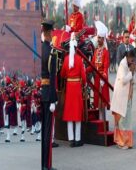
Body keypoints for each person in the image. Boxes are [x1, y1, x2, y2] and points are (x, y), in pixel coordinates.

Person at [60, 35, 86, 147]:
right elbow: (84, 77)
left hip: (69, 87)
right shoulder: (80, 60)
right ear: (76, 48)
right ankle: (77, 139)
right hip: (77, 88)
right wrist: (83, 84)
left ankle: (71, 139)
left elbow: (62, 74)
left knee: (70, 113)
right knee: (77, 114)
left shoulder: (66, 60)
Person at [111, 50, 136, 149]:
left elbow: (130, 79)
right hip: (121, 96)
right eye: (131, 59)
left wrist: (131, 73)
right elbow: (123, 80)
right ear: (128, 57)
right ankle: (121, 142)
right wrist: (131, 72)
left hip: (127, 96)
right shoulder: (122, 64)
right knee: (122, 120)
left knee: (127, 120)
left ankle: (128, 142)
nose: (132, 61)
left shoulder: (129, 64)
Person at [41, 19, 58, 170]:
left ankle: (42, 163)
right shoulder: (51, 52)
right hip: (48, 95)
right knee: (47, 131)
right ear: (49, 33)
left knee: (42, 130)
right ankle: (46, 164)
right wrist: (54, 99)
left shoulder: (40, 49)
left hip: (41, 92)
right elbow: (53, 78)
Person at [87, 26, 110, 112]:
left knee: (102, 101)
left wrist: (103, 77)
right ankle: (99, 119)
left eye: (100, 38)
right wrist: (84, 70)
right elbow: (92, 65)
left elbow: (106, 66)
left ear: (103, 39)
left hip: (102, 79)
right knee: (97, 100)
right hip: (97, 78)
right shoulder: (96, 51)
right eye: (98, 37)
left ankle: (102, 121)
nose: (98, 39)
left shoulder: (105, 52)